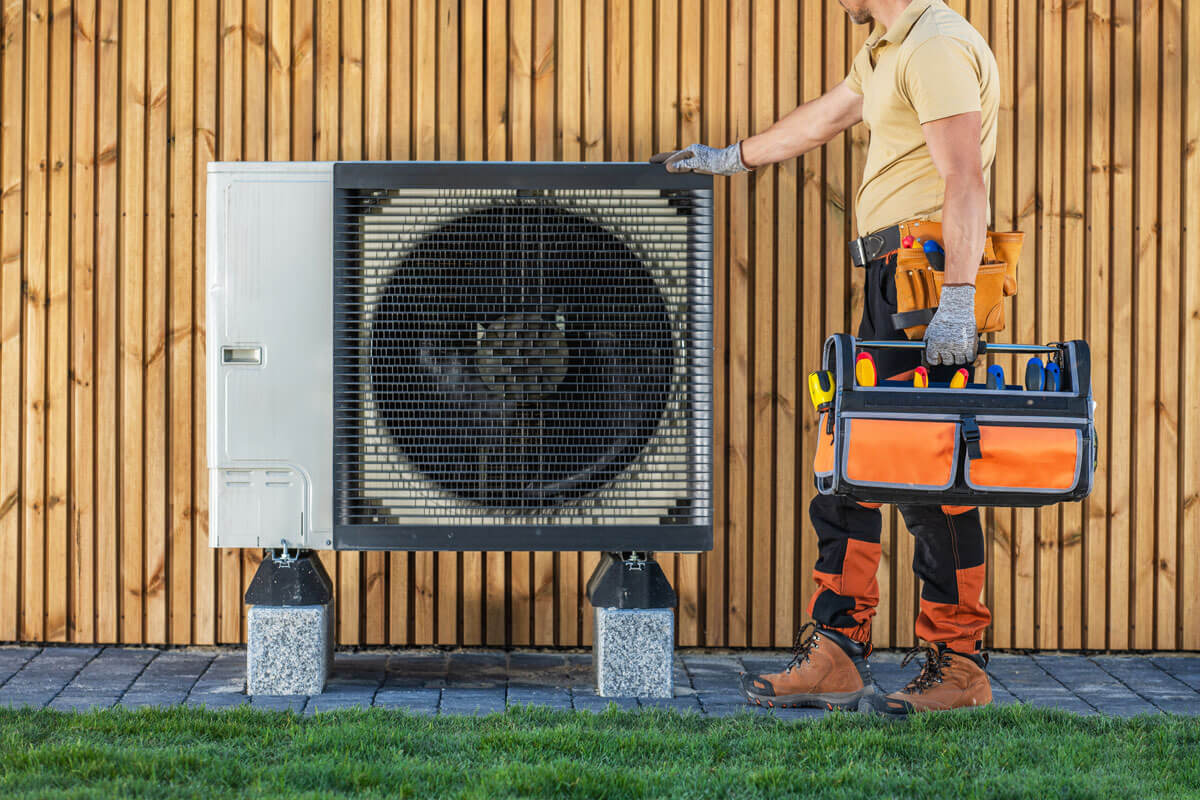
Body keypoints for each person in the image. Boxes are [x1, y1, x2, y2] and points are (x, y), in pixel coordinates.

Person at [652, 0, 999, 715]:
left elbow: (965, 176)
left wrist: (958, 300)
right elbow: (824, 115)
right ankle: (840, 651)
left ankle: (959, 667)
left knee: (935, 479)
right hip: (891, 282)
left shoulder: (934, 47)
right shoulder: (884, 47)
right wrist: (731, 157)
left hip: (926, 284)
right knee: (850, 465)